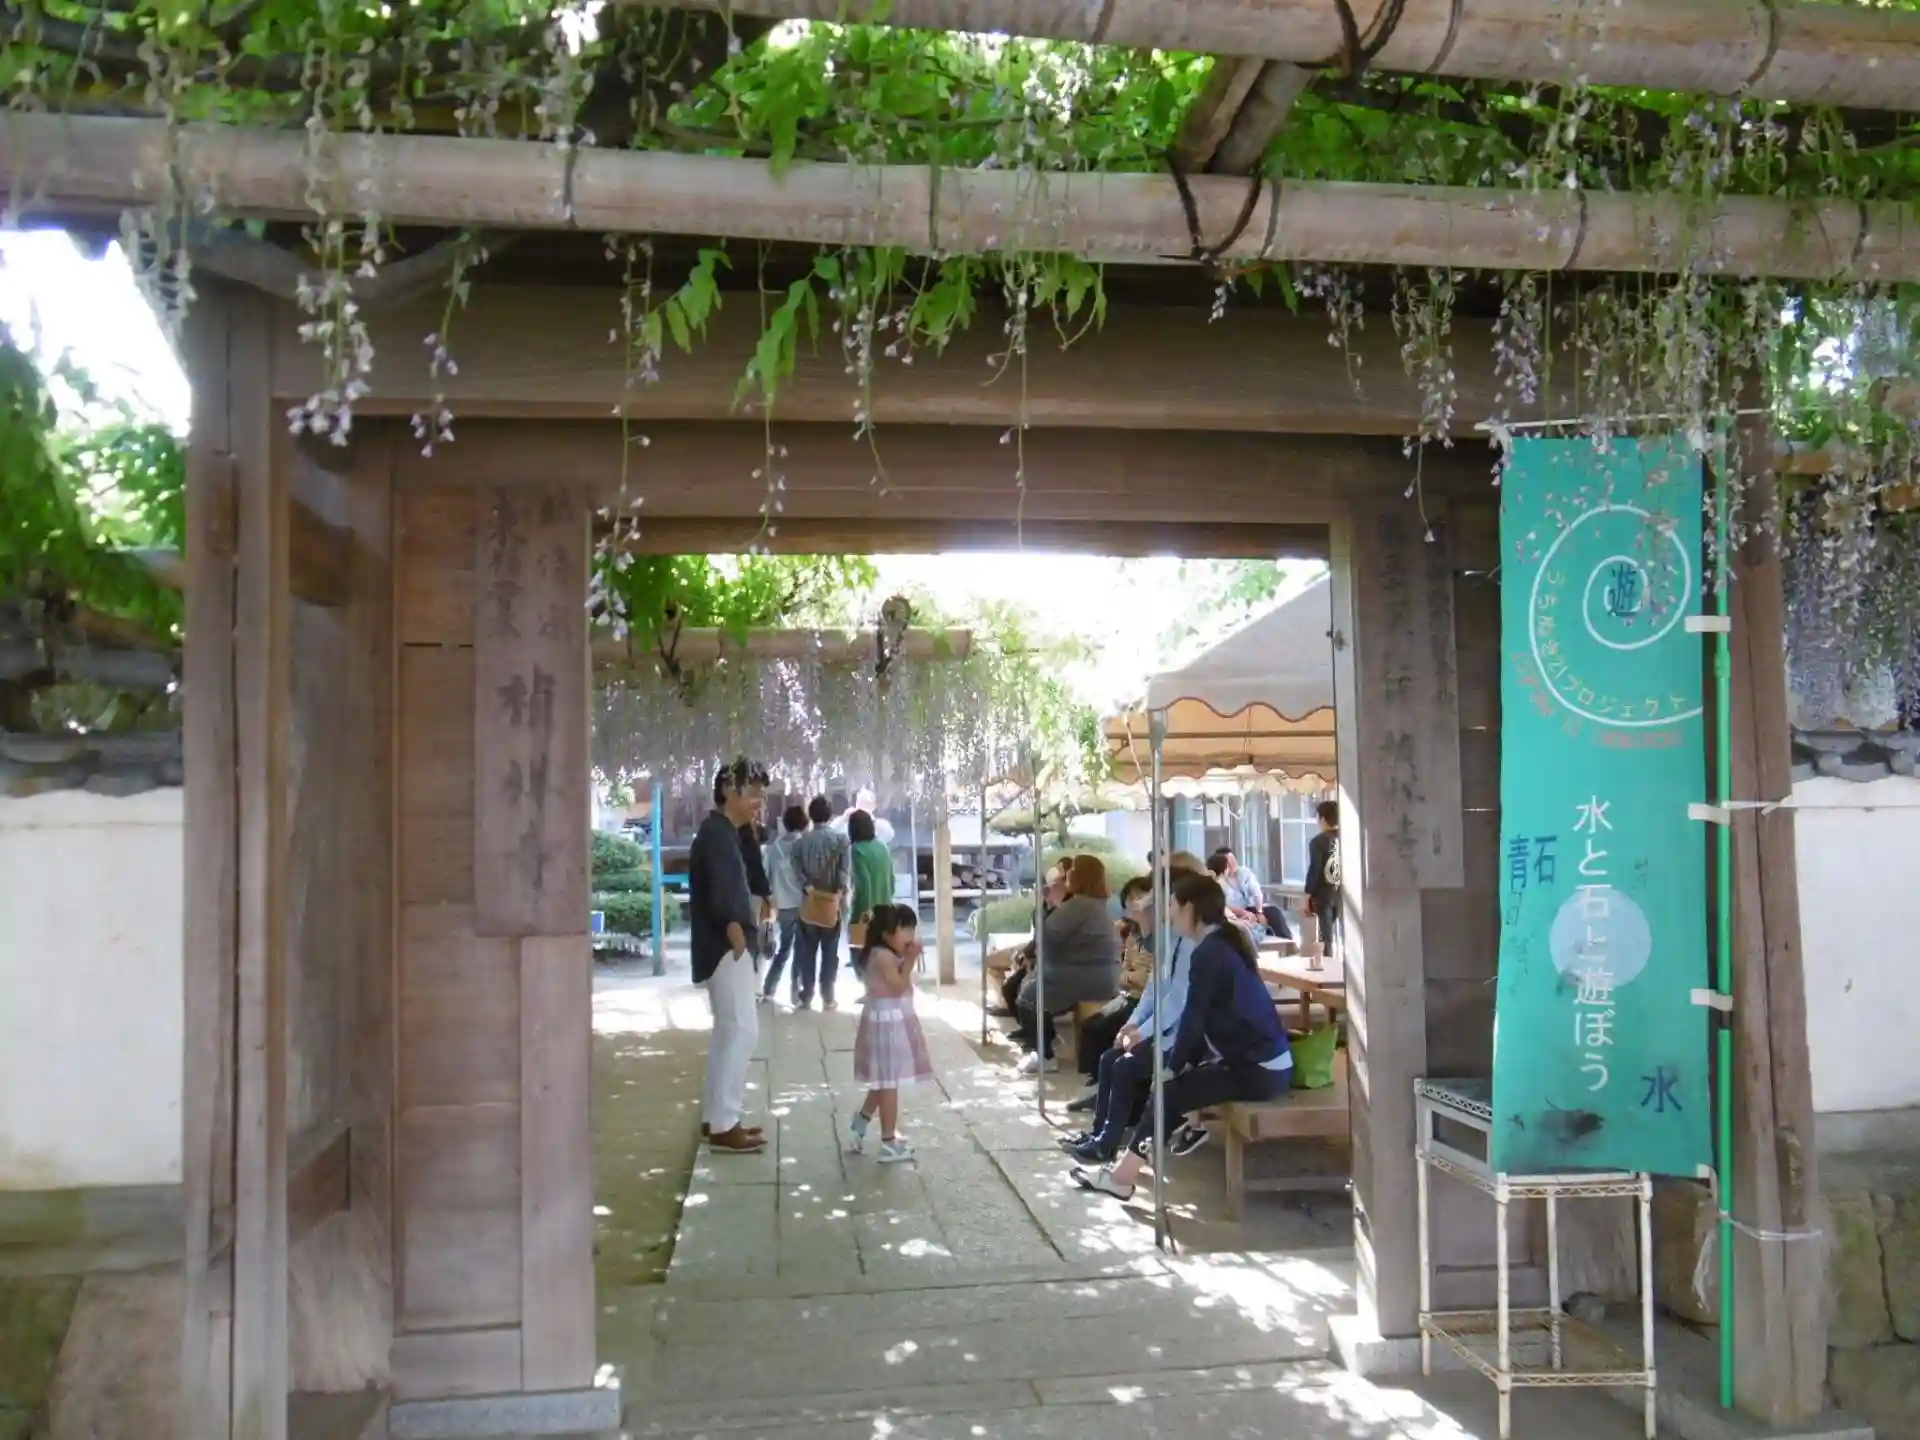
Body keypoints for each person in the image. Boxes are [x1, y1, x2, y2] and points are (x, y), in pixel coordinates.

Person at [1071, 871, 1293, 1198]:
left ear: (1190, 907)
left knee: (1168, 1094)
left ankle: (1122, 1176)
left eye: (1173, 903)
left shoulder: (1209, 952)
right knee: (1169, 1094)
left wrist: (1172, 1067)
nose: (1169, 911)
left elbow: (1193, 1018)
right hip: (1258, 1062)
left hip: (1259, 1069)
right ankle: (1125, 1172)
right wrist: (1176, 1065)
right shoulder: (1219, 942)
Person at [690, 757, 769, 1155]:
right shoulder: (716, 834)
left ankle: (718, 1118)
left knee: (730, 1031)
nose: (758, 801)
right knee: (741, 1029)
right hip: (726, 944)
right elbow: (721, 891)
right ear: (727, 791)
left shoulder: (726, 832)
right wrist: (735, 931)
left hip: (725, 943)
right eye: (752, 792)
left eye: (761, 794)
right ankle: (724, 1123)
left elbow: (747, 874)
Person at [1013, 855, 1120, 1075]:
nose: (1065, 876)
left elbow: (1046, 936)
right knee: (1029, 987)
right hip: (1095, 974)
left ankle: (1045, 1055)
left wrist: (1047, 904)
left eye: (1069, 872)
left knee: (1028, 999)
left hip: (1083, 976)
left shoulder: (1079, 905)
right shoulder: (1094, 903)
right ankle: (1047, 1045)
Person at [847, 904, 934, 1163]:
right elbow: (898, 987)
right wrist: (910, 962)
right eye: (904, 929)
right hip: (886, 1025)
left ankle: (861, 1122)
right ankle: (888, 1141)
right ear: (887, 934)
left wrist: (907, 960)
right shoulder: (883, 957)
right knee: (888, 1084)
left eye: (912, 928)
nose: (910, 934)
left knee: (884, 1080)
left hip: (891, 1022)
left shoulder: (886, 954)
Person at [791, 794, 851, 1009]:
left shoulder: (800, 843)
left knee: (808, 952)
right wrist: (839, 891)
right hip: (831, 903)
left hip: (809, 903)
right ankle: (828, 997)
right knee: (830, 952)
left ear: (810, 816)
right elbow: (844, 871)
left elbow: (795, 868)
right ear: (830, 815)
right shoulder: (841, 840)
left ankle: (806, 995)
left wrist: (806, 885)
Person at [760, 804, 810, 1004]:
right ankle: (795, 991)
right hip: (804, 903)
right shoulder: (805, 845)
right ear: (804, 824)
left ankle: (769, 988)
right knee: (801, 949)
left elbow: (765, 877)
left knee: (785, 947)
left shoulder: (773, 848)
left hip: (782, 905)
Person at [1208, 849, 1292, 944]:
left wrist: (1259, 912)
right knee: (1248, 926)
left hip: (1250, 907)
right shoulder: (1217, 882)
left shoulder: (1244, 873)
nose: (1233, 864)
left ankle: (1289, 942)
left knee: (1274, 912)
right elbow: (1223, 906)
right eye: (1228, 862)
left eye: (1233, 860)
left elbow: (1257, 893)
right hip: (1233, 911)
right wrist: (1242, 913)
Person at [848, 808, 896, 939]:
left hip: (866, 915)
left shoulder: (857, 850)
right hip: (886, 912)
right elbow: (892, 882)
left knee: (859, 950)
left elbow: (863, 887)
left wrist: (858, 915)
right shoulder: (883, 847)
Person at [1304, 800, 1341, 961]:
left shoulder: (1318, 842)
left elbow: (1315, 869)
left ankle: (1327, 966)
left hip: (1323, 896)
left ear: (1323, 819)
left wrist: (1307, 896)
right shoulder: (1347, 838)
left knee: (1325, 938)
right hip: (1341, 894)